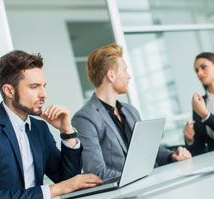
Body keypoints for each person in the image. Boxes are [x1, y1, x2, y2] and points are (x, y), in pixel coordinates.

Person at [0, 50, 102, 199]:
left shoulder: (39, 128)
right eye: (34, 86)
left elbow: (67, 181)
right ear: (9, 91)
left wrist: (67, 132)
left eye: (44, 86)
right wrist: (57, 189)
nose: (44, 94)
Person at [72, 43, 192, 180]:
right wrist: (139, 178)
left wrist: (173, 156)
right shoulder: (84, 118)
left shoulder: (130, 111)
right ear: (111, 75)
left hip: (153, 184)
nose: (129, 76)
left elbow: (149, 151)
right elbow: (96, 172)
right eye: (125, 70)